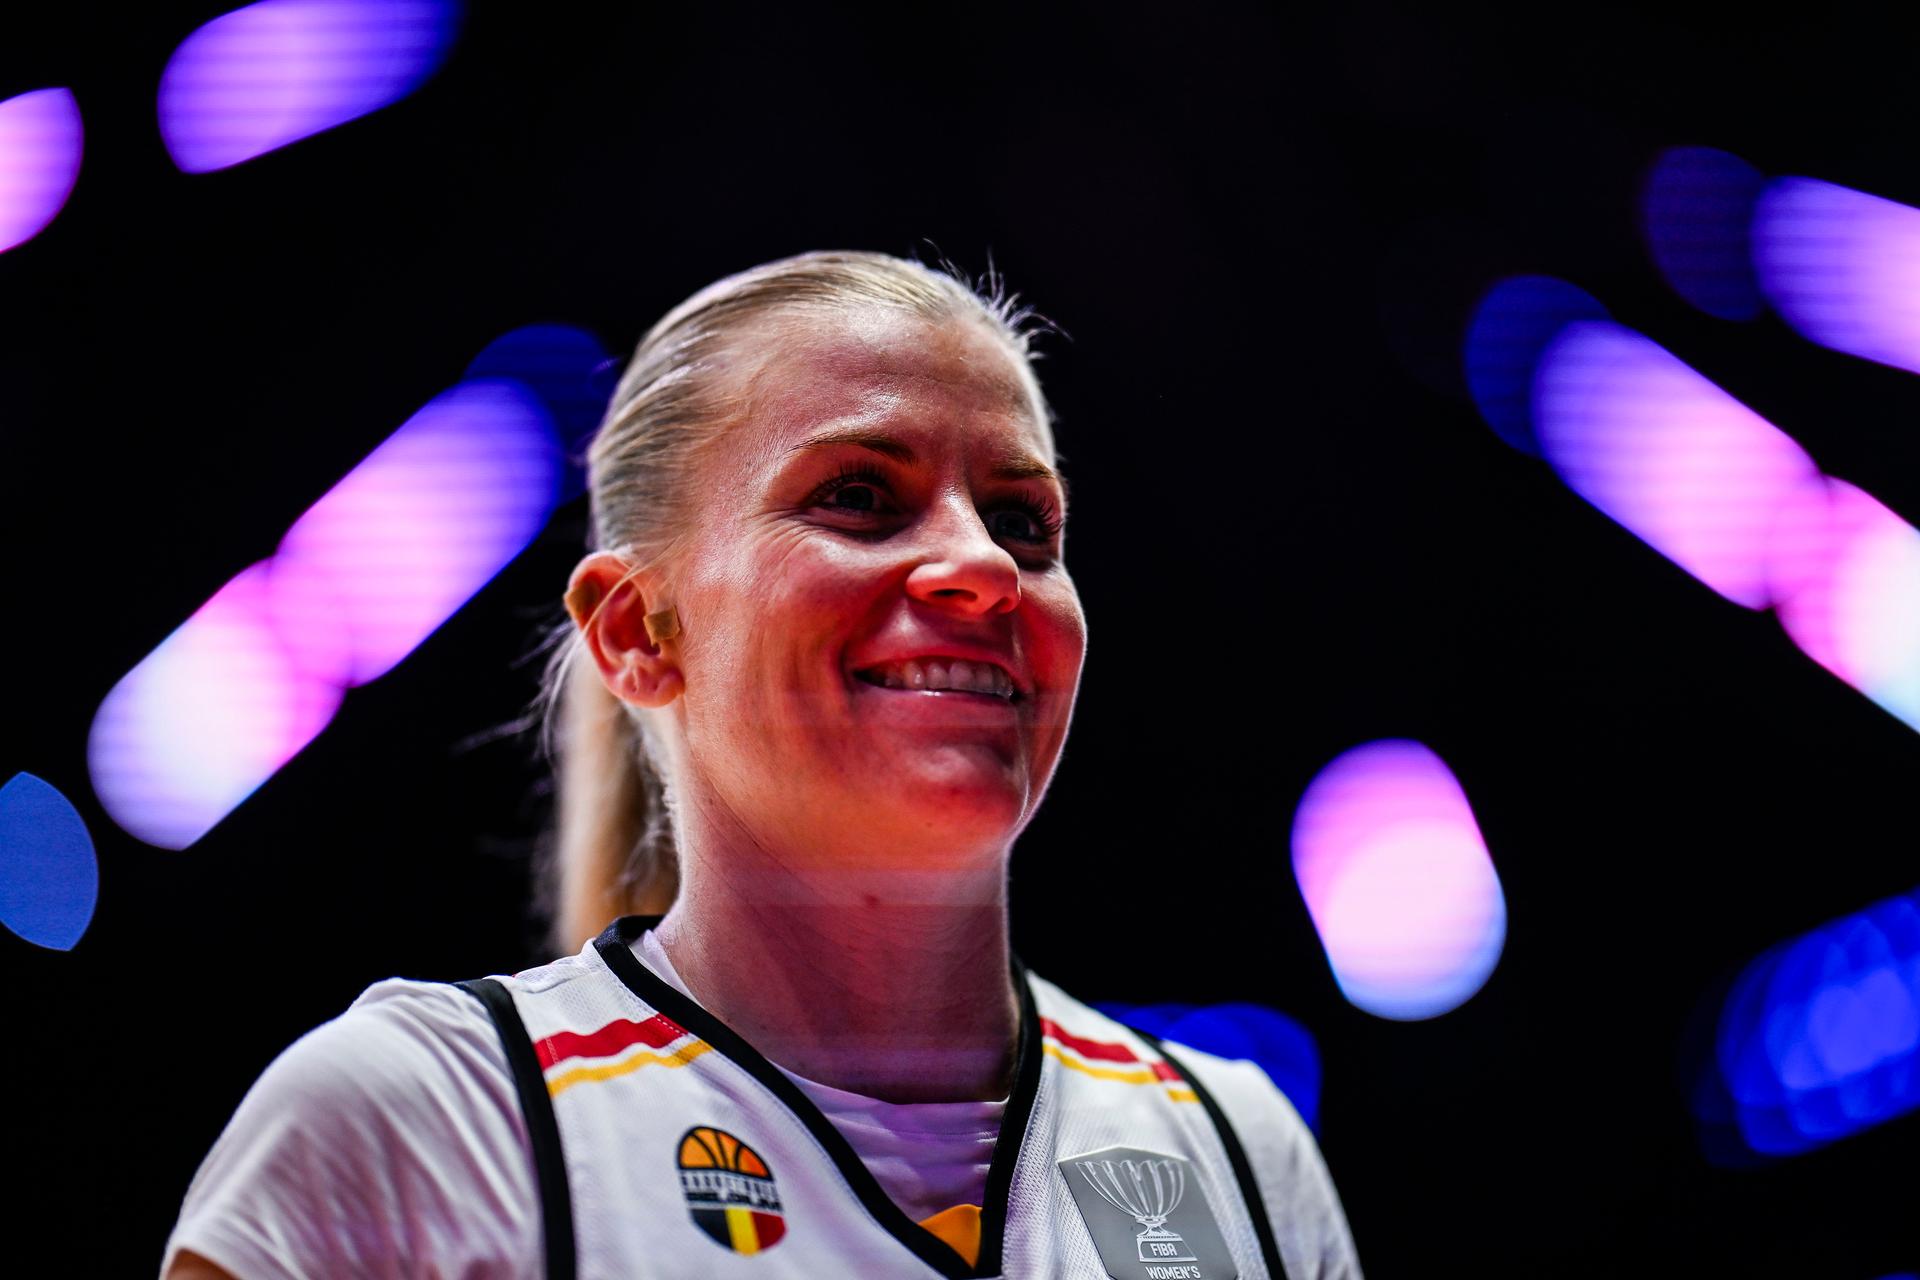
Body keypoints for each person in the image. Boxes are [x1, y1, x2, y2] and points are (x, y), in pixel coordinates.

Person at [161, 250, 1362, 1279]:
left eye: (1024, 520)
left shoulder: (1240, 1147)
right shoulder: (418, 1117)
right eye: (859, 497)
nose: (983, 565)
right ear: (638, 630)